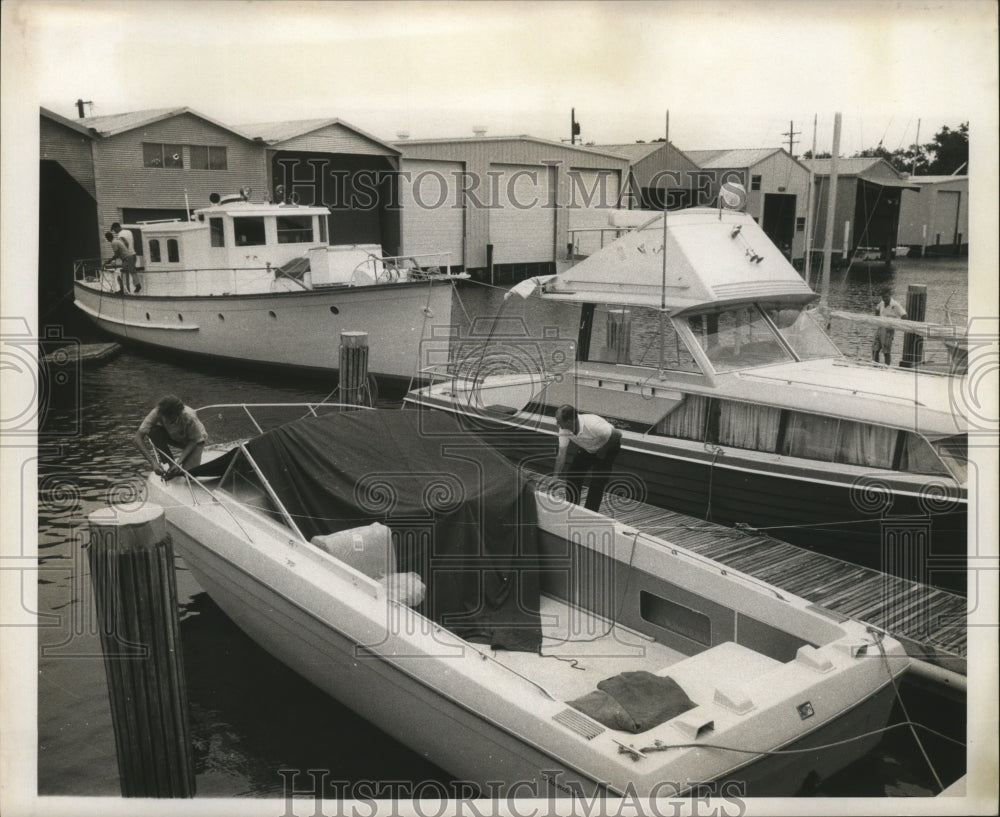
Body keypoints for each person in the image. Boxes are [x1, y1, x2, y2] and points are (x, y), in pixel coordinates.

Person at [553, 404, 622, 512]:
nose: (557, 424)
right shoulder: (564, 429)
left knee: (597, 483)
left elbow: (617, 435)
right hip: (588, 448)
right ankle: (572, 508)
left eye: (558, 421)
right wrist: (555, 477)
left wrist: (602, 451)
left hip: (608, 447)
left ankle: (590, 512)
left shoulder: (593, 425)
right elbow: (561, 454)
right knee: (573, 475)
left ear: (569, 421)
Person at [134, 395, 207, 478]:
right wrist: (152, 462)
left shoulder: (188, 415)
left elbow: (193, 440)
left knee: (189, 475)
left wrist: (179, 462)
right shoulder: (157, 412)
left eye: (172, 420)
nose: (168, 422)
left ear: (178, 414)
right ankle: (171, 464)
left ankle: (177, 466)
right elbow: (137, 438)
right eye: (166, 418)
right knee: (154, 431)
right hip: (176, 437)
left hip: (196, 440)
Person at [872, 289, 907, 365]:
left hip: (888, 330)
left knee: (886, 351)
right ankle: (875, 366)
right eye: (883, 297)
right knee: (875, 349)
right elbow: (877, 309)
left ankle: (887, 368)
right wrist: (877, 318)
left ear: (889, 296)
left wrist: (898, 324)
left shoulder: (895, 305)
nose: (884, 299)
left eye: (886, 297)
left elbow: (904, 315)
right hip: (880, 328)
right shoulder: (881, 303)